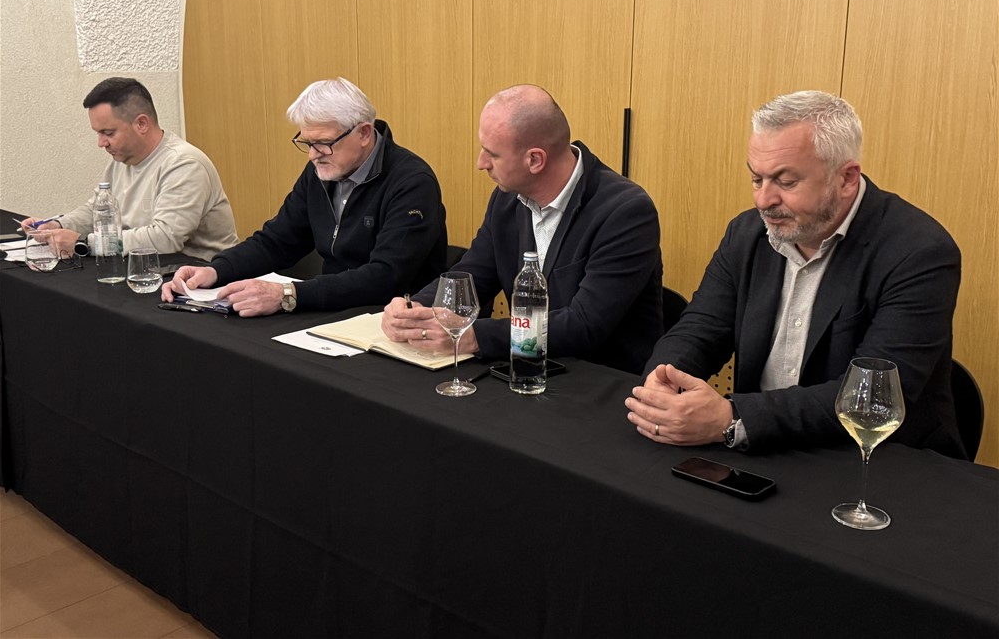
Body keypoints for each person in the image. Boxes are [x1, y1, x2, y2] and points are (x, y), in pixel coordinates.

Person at [626, 90, 965, 457]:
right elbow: (701, 328)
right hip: (762, 447)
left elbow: (871, 398)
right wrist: (662, 380)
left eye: (786, 182)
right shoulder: (747, 234)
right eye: (757, 179)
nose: (763, 200)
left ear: (846, 178)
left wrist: (731, 416)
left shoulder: (919, 252)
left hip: (874, 459)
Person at [381, 84, 663, 374]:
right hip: (525, 369)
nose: (481, 163)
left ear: (535, 160)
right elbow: (474, 274)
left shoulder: (625, 212)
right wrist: (415, 309)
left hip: (598, 379)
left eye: (492, 154)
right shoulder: (506, 199)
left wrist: (475, 337)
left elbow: (584, 325)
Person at [162, 78, 447, 317]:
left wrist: (288, 294)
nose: (312, 155)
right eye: (306, 142)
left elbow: (386, 277)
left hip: (392, 319)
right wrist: (216, 271)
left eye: (323, 143)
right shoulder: (322, 171)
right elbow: (278, 240)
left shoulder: (411, 182)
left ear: (363, 133)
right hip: (333, 310)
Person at [22, 78, 239, 261]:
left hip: (202, 277)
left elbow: (165, 238)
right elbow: (96, 209)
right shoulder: (121, 160)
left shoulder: (184, 164)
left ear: (141, 124)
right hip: (149, 268)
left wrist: (84, 244)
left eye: (108, 133)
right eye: (98, 133)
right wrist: (57, 225)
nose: (101, 143)